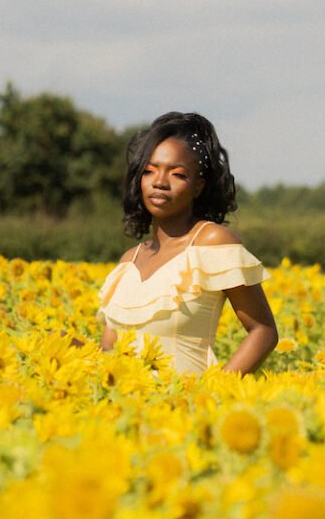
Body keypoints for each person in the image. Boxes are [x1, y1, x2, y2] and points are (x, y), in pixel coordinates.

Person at [97, 112, 278, 375]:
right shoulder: (129, 261)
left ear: (198, 187)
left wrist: (213, 394)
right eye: (149, 171)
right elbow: (108, 355)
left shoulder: (211, 242)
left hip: (187, 409)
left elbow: (263, 331)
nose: (159, 182)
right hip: (125, 409)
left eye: (178, 174)